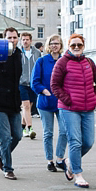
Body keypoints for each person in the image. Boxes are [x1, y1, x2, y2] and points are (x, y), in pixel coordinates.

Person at [50, 33, 96, 188]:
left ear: (83, 46)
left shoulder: (89, 62)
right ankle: (78, 174)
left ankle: (69, 162)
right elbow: (54, 85)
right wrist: (67, 99)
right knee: (75, 141)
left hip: (88, 108)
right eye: (73, 45)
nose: (77, 48)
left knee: (88, 142)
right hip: (69, 109)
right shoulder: (62, 62)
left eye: (79, 45)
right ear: (69, 46)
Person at [0, 27, 24, 180]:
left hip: (14, 102)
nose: (12, 40)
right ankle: (8, 168)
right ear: (4, 39)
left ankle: (1, 152)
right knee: (6, 137)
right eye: (9, 38)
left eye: (14, 38)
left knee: (18, 135)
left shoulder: (19, 55)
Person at [32, 34, 68, 172]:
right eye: (52, 43)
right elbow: (34, 82)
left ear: (60, 46)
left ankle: (59, 158)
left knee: (64, 131)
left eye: (57, 43)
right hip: (46, 102)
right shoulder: (41, 61)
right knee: (48, 133)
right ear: (48, 45)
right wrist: (44, 91)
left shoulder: (65, 61)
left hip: (61, 102)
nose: (54, 45)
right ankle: (49, 160)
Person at [19, 32, 41, 131]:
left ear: (31, 41)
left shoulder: (37, 52)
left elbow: (39, 67)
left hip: (33, 83)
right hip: (21, 83)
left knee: (28, 107)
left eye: (27, 39)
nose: (25, 41)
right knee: (26, 106)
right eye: (23, 39)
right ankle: (30, 128)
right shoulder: (18, 52)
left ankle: (22, 127)